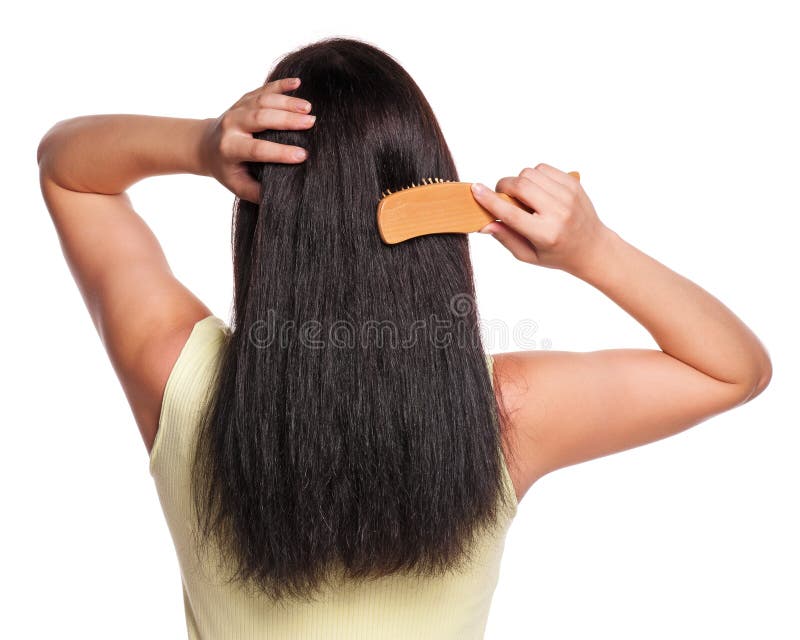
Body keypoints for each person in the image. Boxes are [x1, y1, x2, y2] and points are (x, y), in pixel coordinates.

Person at [36, 37, 771, 639]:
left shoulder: (178, 378)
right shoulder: (506, 414)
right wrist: (592, 249)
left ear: (268, 217)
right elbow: (731, 370)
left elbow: (69, 171)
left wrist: (201, 144)